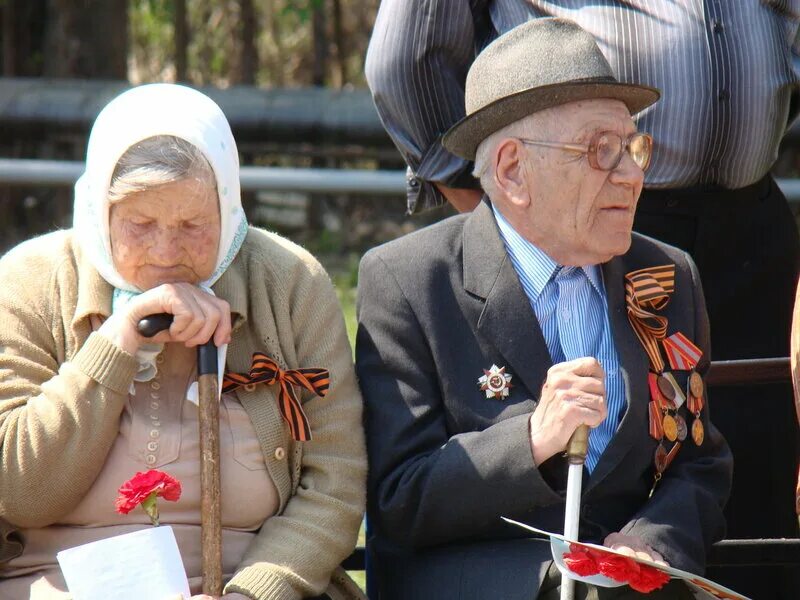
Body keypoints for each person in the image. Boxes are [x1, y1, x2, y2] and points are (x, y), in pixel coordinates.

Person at [365, 3, 800, 596]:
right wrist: (532, 440)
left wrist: (650, 543)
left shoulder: (665, 275)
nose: (631, 175)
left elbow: (697, 462)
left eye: (634, 147)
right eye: (600, 150)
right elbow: (399, 500)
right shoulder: (410, 281)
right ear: (513, 169)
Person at [0, 84, 367, 600]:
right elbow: (17, 491)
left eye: (193, 224)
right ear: (99, 215)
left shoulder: (288, 283)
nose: (166, 252)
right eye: (140, 224)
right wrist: (119, 341)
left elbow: (335, 485)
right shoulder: (29, 282)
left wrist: (253, 594)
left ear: (229, 207)